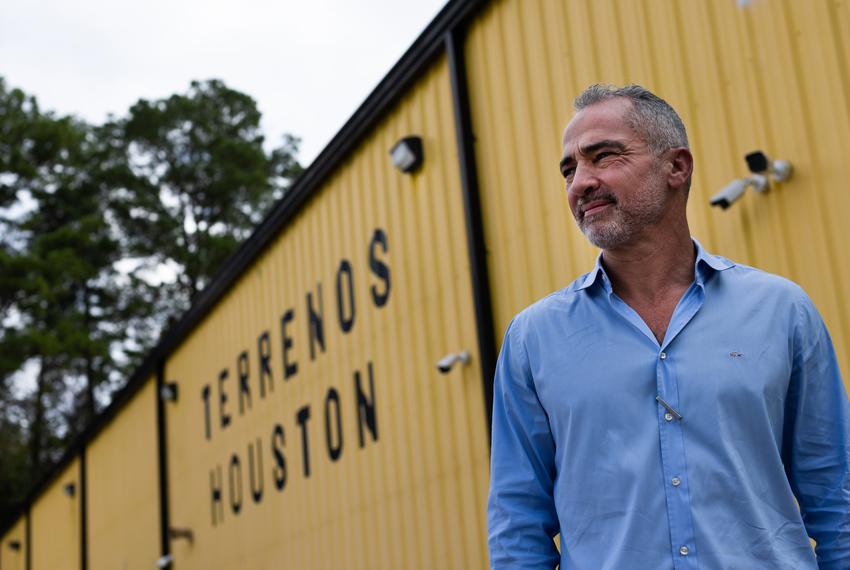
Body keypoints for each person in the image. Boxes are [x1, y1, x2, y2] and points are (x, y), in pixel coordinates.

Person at [487, 84, 850, 569]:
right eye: (570, 169)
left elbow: (835, 495)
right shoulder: (532, 340)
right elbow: (518, 525)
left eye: (604, 156)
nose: (580, 183)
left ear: (677, 167)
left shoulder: (781, 311)